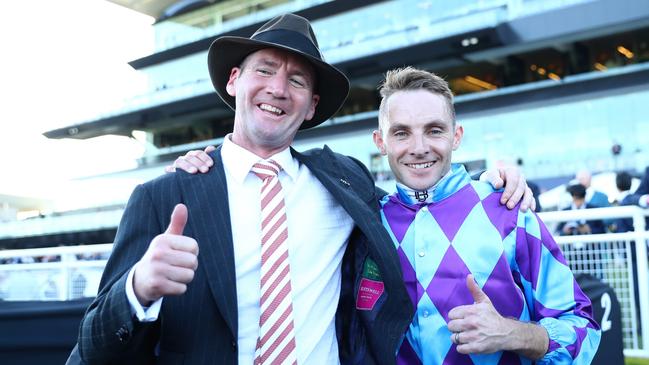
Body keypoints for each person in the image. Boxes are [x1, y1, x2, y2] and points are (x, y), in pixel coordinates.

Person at [70, 14, 532, 365]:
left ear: (311, 106)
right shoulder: (164, 195)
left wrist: (487, 182)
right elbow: (89, 350)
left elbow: (420, 188)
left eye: (296, 80)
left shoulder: (345, 180)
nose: (278, 88)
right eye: (265, 71)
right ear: (234, 81)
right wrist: (137, 290)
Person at [173, 66, 599, 364]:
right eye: (401, 133)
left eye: (434, 130)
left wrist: (516, 334)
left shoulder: (509, 209)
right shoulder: (361, 219)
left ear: (457, 136)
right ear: (380, 141)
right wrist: (214, 162)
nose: (418, 147)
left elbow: (583, 327)